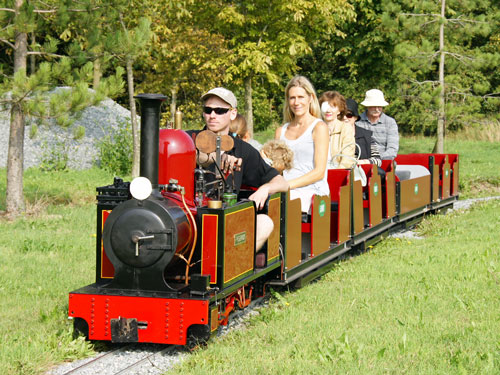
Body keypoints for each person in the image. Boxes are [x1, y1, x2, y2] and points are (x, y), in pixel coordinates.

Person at [189, 87, 289, 250]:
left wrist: (265, 189)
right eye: (208, 110)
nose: (212, 115)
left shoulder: (244, 150)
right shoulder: (188, 138)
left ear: (233, 114)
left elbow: (283, 183)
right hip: (189, 220)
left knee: (264, 223)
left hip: (227, 225)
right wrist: (216, 157)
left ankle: (232, 265)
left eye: (220, 110)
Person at [275, 76, 329, 213]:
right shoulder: (281, 131)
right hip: (285, 189)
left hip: (312, 190)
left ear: (310, 98)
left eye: (301, 97)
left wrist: (286, 185)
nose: (296, 102)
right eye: (292, 98)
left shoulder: (319, 127)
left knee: (281, 202)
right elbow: (278, 168)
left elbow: (319, 172)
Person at [356, 89, 399, 160]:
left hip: (384, 162)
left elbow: (392, 149)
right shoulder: (358, 122)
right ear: (367, 106)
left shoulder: (390, 122)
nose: (377, 109)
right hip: (361, 162)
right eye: (374, 106)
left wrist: (376, 160)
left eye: (379, 106)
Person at [318, 91, 355, 169]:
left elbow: (347, 159)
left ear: (339, 110)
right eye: (325, 106)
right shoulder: (315, 128)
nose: (328, 110)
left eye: (332, 107)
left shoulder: (345, 128)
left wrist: (336, 174)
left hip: (338, 172)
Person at [344, 98, 381, 167]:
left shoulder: (367, 135)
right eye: (341, 115)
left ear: (355, 117)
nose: (344, 118)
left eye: (348, 115)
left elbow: (378, 160)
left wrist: (361, 162)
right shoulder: (332, 135)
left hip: (363, 173)